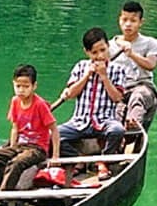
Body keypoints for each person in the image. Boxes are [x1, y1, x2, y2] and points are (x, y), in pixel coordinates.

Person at [0, 63, 59, 206]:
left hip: (38, 148)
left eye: (26, 86)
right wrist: (11, 148)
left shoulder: (40, 105)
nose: (21, 90)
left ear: (34, 86)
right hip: (21, 145)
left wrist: (55, 155)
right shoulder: (15, 102)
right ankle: (2, 195)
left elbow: (54, 130)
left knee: (17, 163)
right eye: (18, 86)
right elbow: (15, 128)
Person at [56, 26, 134, 177]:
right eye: (94, 52)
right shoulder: (80, 67)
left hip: (104, 121)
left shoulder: (117, 70)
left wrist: (104, 76)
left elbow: (117, 98)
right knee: (52, 135)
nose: (100, 56)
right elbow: (71, 94)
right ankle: (78, 159)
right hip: (79, 122)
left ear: (108, 47)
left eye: (103, 50)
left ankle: (103, 161)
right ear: (87, 52)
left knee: (117, 130)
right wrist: (86, 76)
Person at [108, 0, 157, 129]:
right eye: (124, 19)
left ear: (140, 22)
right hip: (119, 90)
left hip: (142, 87)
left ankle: (132, 128)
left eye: (133, 21)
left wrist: (131, 53)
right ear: (119, 20)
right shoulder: (109, 46)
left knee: (137, 97)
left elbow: (151, 65)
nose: (128, 24)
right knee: (116, 109)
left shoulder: (150, 43)